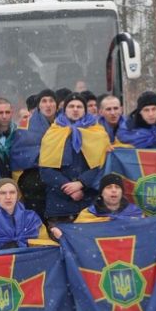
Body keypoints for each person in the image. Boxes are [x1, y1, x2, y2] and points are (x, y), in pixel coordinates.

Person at [38, 93, 110, 224]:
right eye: (71, 106)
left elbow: (102, 164)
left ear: (85, 110)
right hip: (60, 206)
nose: (75, 109)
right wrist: (68, 188)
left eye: (79, 106)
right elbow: (45, 169)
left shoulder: (98, 133)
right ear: (64, 110)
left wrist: (82, 183)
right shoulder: (52, 133)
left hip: (90, 203)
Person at [11, 89, 57, 220]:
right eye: (44, 101)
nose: (48, 105)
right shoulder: (26, 124)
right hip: (35, 181)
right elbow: (19, 153)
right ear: (38, 105)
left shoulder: (64, 124)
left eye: (51, 101)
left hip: (59, 181)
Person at [51, 173, 142, 239]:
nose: (114, 190)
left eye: (117, 187)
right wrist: (62, 236)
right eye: (109, 187)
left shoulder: (136, 213)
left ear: (122, 192)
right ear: (101, 193)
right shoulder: (88, 214)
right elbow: (77, 238)